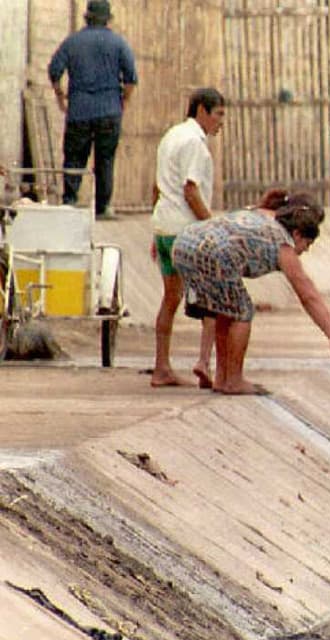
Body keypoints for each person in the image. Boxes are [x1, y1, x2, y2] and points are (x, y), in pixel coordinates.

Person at [171, 189, 330, 395]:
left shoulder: (262, 213)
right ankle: (234, 379)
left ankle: (222, 378)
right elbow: (307, 294)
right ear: (297, 234)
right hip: (212, 252)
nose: (306, 250)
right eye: (307, 244)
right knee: (243, 312)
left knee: (225, 309)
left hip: (185, 243)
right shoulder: (284, 245)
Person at [150, 88, 226, 389]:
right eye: (218, 114)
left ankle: (161, 368)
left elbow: (156, 188)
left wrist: (155, 229)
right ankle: (204, 363)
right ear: (202, 112)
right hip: (187, 232)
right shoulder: (196, 144)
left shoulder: (171, 136)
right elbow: (191, 190)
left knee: (170, 299)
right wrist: (213, 226)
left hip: (165, 229)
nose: (221, 122)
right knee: (212, 295)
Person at [47, 0, 137, 218]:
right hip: (109, 110)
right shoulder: (119, 43)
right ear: (107, 19)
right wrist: (123, 102)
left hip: (79, 110)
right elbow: (131, 79)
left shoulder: (72, 42)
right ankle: (103, 207)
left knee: (74, 157)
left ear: (87, 17)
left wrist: (60, 98)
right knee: (105, 159)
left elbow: (54, 71)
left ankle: (69, 201)